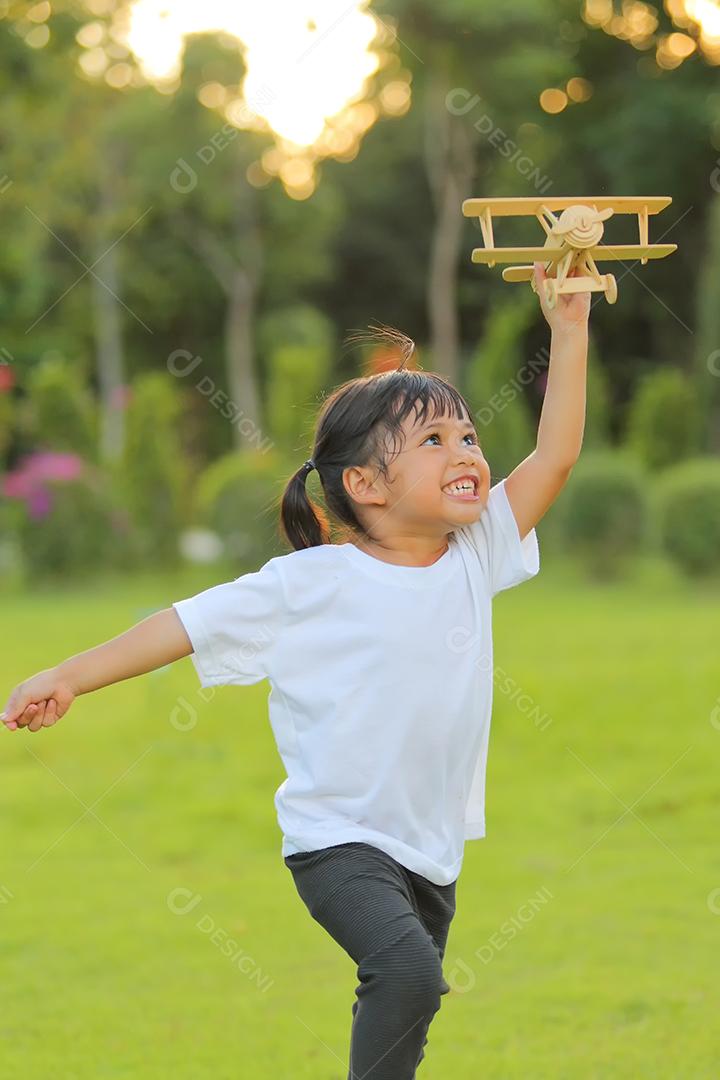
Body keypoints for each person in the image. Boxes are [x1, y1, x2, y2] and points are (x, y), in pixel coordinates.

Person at [1, 264, 590, 1078]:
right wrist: (69, 674)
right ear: (364, 485)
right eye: (431, 441)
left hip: (432, 844)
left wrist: (569, 329)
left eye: (468, 437)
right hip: (338, 842)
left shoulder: (474, 552)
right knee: (410, 974)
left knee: (404, 1010)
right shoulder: (309, 584)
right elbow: (179, 626)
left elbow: (555, 457)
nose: (465, 453)